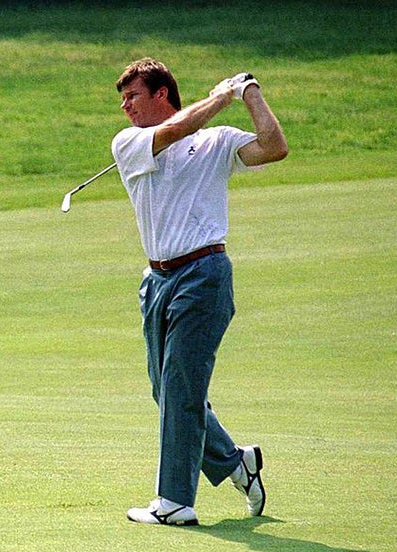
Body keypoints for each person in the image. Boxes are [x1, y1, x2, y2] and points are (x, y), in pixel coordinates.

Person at [110, 58, 288, 526]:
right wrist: (222, 96)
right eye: (123, 99)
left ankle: (175, 502)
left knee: (182, 388)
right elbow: (174, 131)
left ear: (162, 93)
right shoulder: (128, 143)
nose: (126, 107)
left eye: (133, 96)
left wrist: (249, 91)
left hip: (204, 274)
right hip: (157, 281)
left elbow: (274, 147)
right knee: (165, 390)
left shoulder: (217, 140)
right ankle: (235, 461)